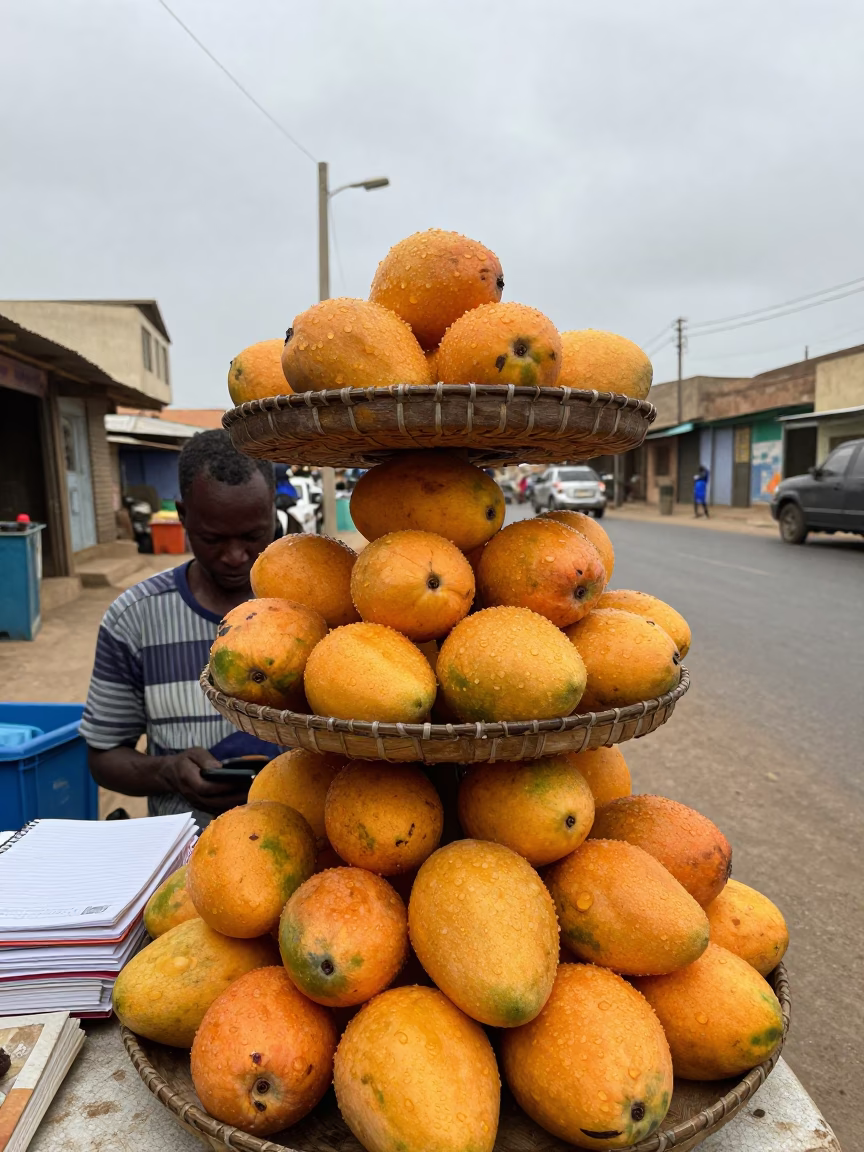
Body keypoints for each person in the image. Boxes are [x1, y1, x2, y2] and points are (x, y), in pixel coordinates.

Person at [81, 430, 282, 828]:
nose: (235, 556)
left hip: (308, 857)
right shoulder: (134, 619)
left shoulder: (312, 608)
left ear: (273, 512)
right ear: (182, 515)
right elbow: (104, 757)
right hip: (186, 864)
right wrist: (167, 772)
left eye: (253, 535)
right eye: (212, 538)